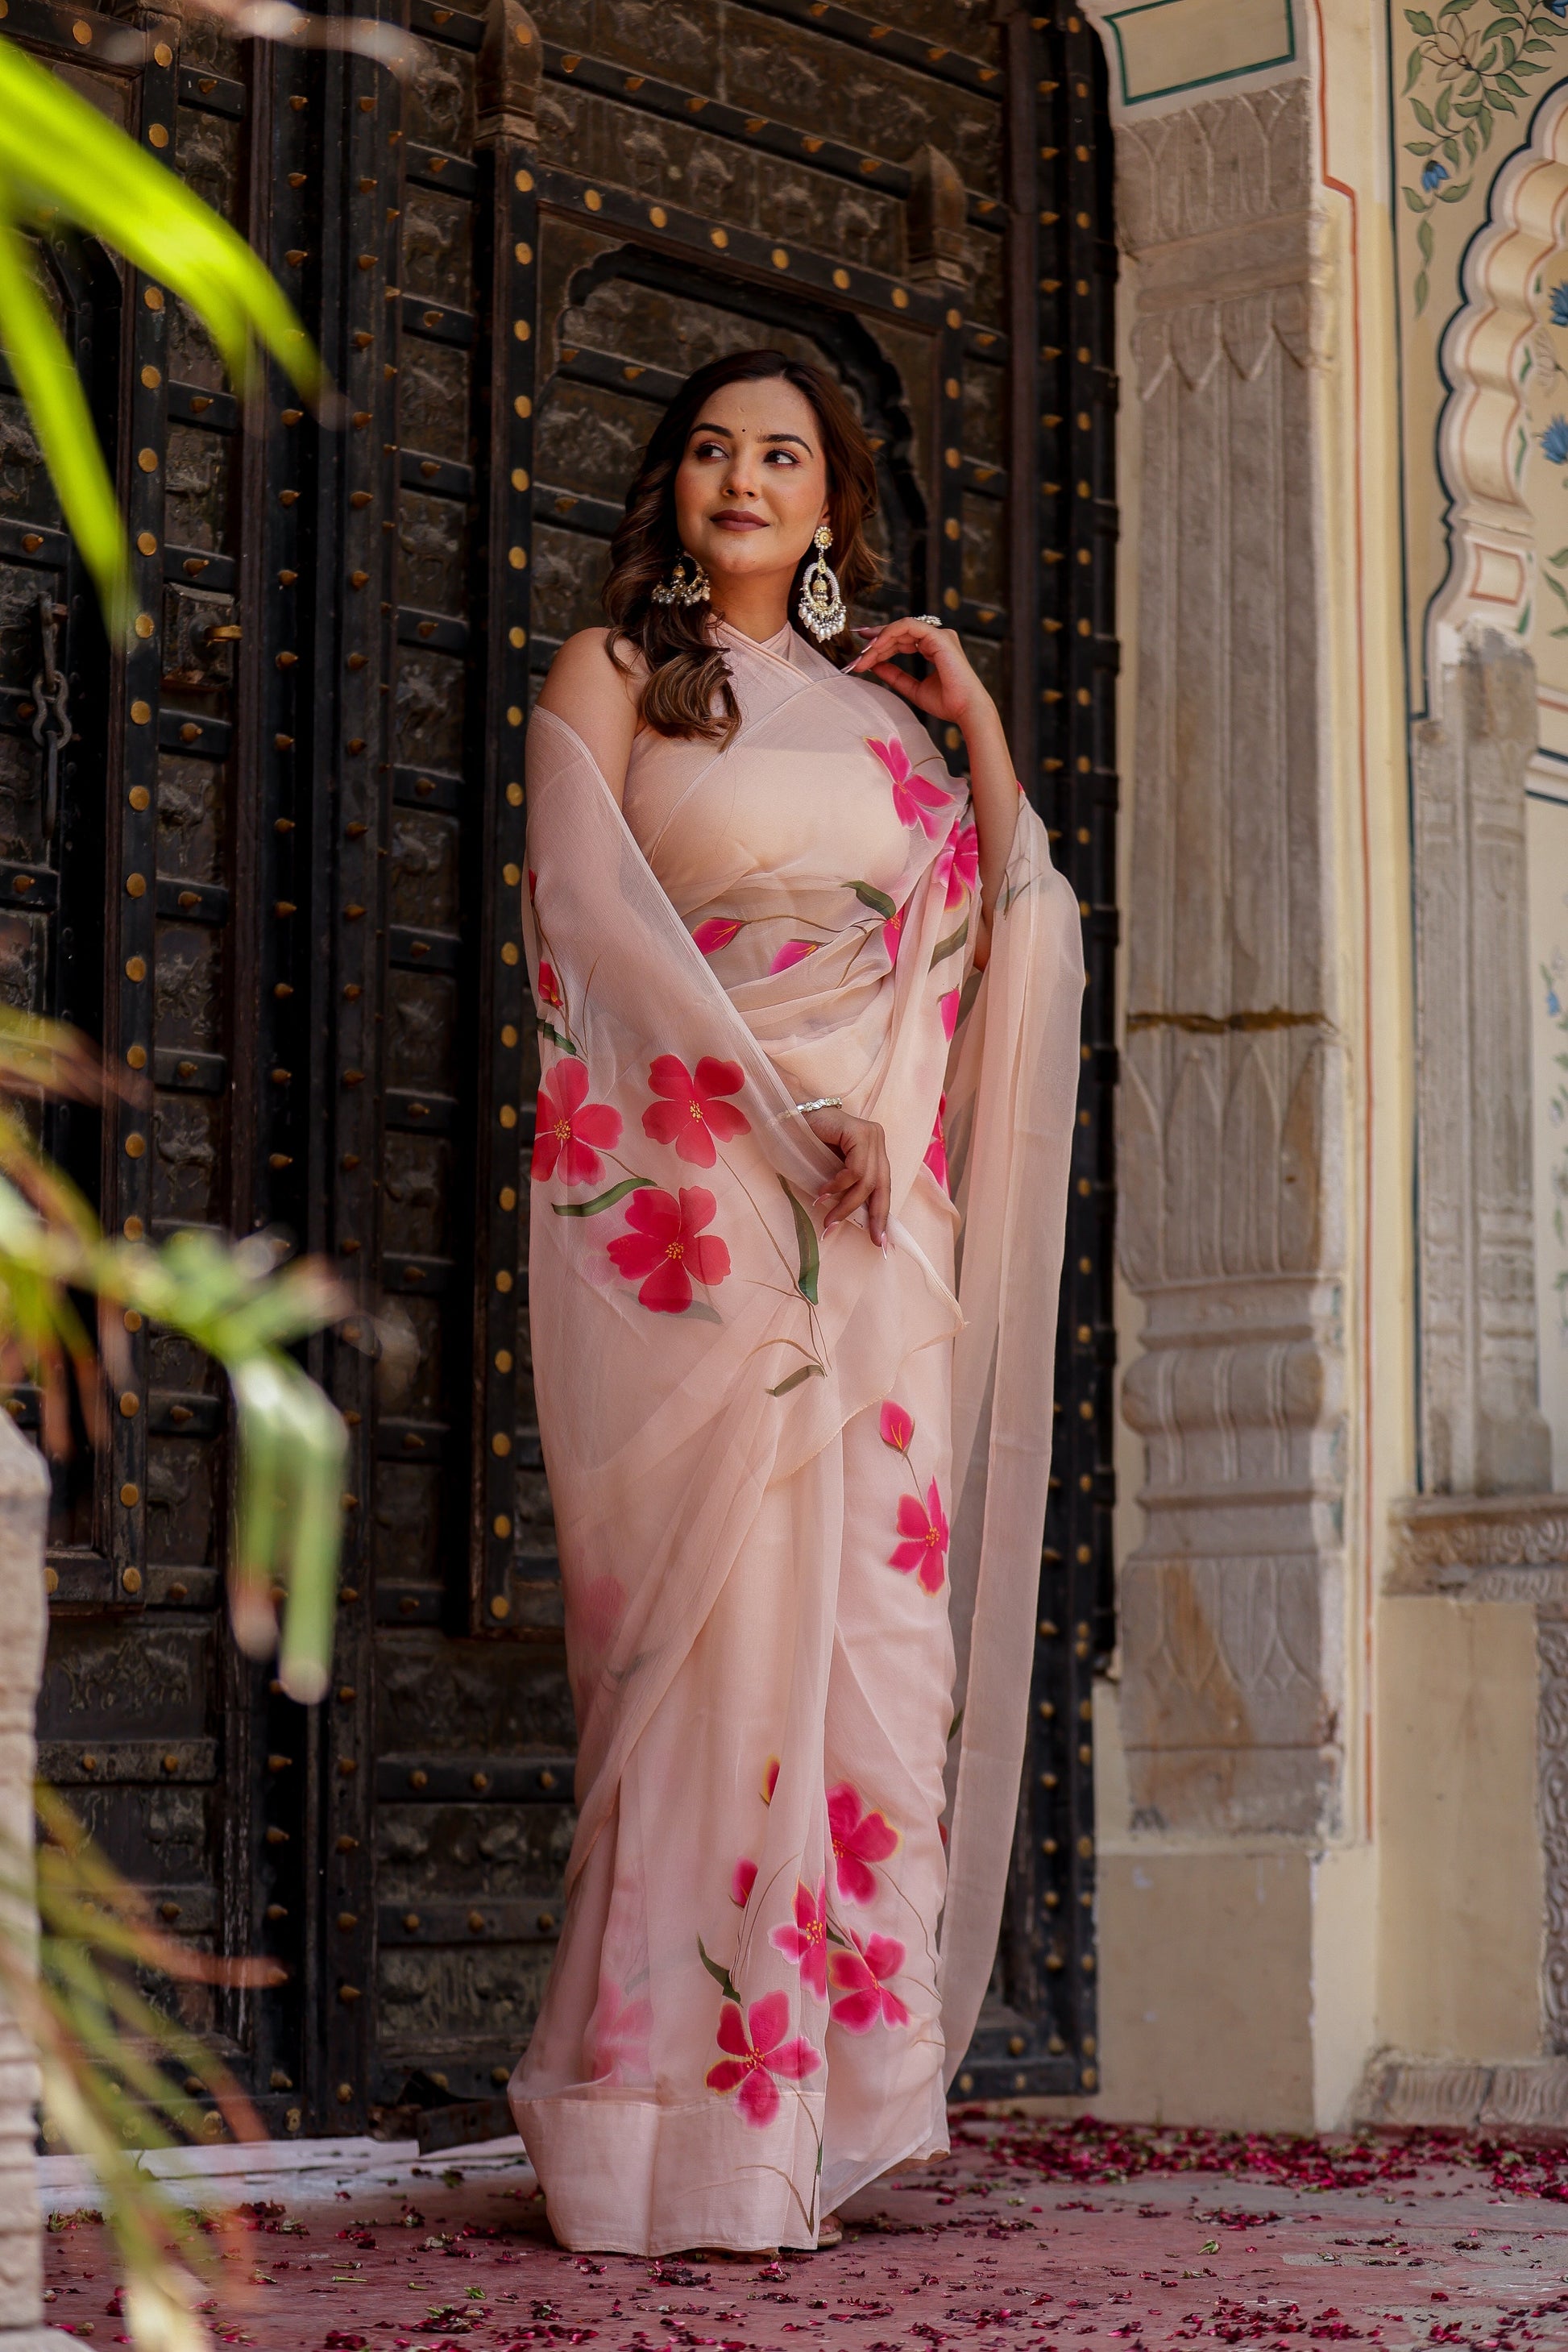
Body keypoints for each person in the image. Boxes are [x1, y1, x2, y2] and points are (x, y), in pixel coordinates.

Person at [508, 346, 1083, 2256]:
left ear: (832, 504)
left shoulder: (887, 735)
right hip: (693, 1209)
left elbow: (1005, 935)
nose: (740, 480)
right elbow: (586, 920)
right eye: (708, 450)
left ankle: (828, 2115)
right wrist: (771, 1115)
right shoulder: (606, 673)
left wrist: (981, 719)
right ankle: (661, 2128)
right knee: (708, 1655)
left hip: (867, 1231)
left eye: (781, 456)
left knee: (868, 1656)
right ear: (670, 487)